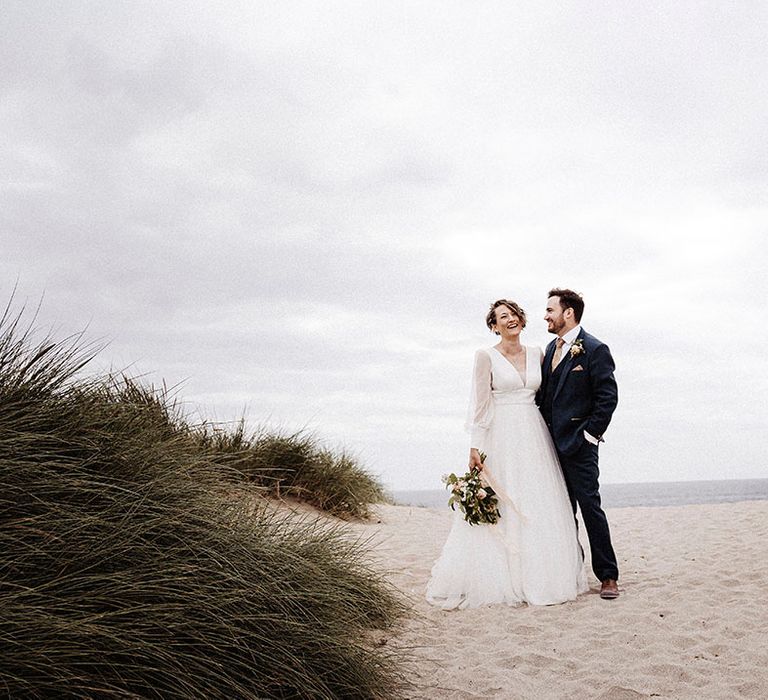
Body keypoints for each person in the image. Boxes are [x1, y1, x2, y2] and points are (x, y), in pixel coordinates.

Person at [426, 299, 587, 609]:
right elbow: (481, 405)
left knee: (539, 499)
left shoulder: (539, 353)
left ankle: (541, 574)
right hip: (501, 434)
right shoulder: (485, 356)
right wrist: (475, 446)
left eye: (513, 314)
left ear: (521, 320)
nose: (510, 319)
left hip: (534, 434)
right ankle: (505, 576)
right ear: (494, 325)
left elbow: (549, 397)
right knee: (504, 499)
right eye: (503, 316)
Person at [537, 288, 620, 599]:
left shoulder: (595, 349)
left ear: (567, 312)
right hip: (548, 447)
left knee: (590, 507)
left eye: (550, 310)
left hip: (580, 446)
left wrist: (590, 435)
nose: (545, 316)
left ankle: (608, 576)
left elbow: (607, 398)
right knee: (559, 510)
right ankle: (572, 571)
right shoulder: (550, 348)